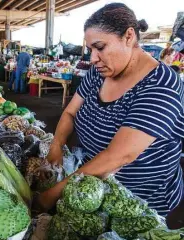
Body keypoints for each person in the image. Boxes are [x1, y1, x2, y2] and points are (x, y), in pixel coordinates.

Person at [38, 3, 184, 216]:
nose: (93, 58)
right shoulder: (99, 73)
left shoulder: (161, 85)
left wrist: (50, 196)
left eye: (100, 47)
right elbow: (70, 112)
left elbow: (118, 156)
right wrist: (57, 146)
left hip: (139, 205)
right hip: (91, 189)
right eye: (90, 50)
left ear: (129, 36)